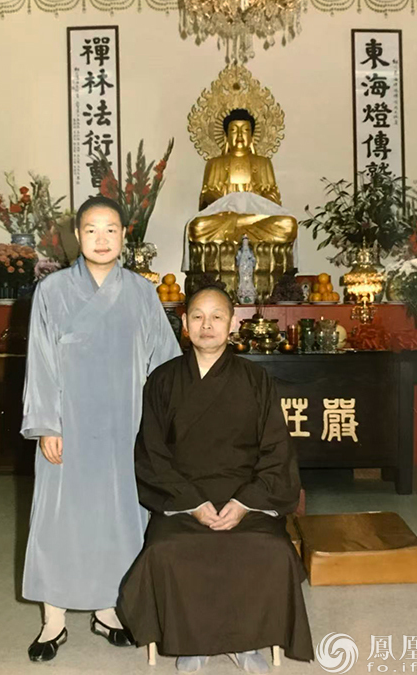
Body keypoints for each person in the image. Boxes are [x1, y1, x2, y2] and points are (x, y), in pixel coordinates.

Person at [118, 286, 314, 673]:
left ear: (232, 323)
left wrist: (244, 503)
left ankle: (248, 641)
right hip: (181, 496)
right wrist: (192, 503)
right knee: (167, 548)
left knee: (268, 547)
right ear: (184, 323)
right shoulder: (162, 380)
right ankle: (192, 640)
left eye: (217, 317)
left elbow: (277, 450)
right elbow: (152, 453)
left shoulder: (255, 379)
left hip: (247, 496)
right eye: (197, 317)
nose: (206, 325)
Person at [21, 196, 181, 662]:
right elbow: (40, 362)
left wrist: (164, 425)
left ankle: (109, 610)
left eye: (111, 229)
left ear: (125, 236)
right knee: (59, 520)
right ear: (77, 235)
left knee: (119, 518)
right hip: (68, 426)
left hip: (123, 426)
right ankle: (53, 620)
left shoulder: (141, 292)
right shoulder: (52, 291)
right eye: (91, 230)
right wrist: (47, 424)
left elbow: (165, 363)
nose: (102, 239)